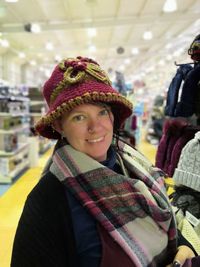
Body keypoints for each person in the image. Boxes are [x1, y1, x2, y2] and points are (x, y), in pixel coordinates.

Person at [11, 56, 196, 267]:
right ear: (60, 126)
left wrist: (183, 245)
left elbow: (163, 223)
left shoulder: (133, 164)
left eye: (102, 112)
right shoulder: (47, 201)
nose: (96, 127)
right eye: (79, 117)